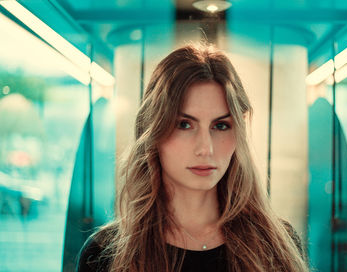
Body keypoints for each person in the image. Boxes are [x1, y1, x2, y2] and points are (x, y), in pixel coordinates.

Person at [76, 43, 308, 272]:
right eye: (184, 124)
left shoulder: (278, 244)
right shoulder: (104, 255)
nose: (205, 148)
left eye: (221, 125)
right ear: (153, 130)